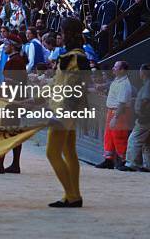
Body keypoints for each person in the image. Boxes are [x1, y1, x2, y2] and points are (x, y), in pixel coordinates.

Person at [46, 17, 88, 208]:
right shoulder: (78, 55)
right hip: (68, 110)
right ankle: (73, 195)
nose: (59, 35)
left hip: (63, 110)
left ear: (68, 34)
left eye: (62, 32)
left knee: (52, 153)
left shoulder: (72, 57)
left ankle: (71, 195)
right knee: (69, 151)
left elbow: (69, 89)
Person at [0, 37, 27, 174]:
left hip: (11, 102)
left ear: (13, 46)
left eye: (7, 44)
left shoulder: (13, 62)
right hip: (17, 100)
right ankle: (15, 164)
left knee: (4, 132)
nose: (4, 46)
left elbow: (9, 85)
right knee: (14, 132)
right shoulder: (19, 60)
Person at [118, 64, 150, 172]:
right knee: (148, 142)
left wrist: (141, 112)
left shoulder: (148, 85)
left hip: (146, 116)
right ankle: (149, 165)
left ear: (143, 73)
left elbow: (146, 100)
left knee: (133, 139)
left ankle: (131, 163)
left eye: (140, 71)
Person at [96, 60, 133, 169]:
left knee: (119, 136)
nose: (113, 68)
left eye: (116, 67)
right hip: (111, 110)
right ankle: (109, 159)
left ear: (122, 70)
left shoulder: (125, 84)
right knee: (109, 136)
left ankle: (123, 160)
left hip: (119, 112)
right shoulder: (117, 80)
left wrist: (115, 117)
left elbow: (121, 103)